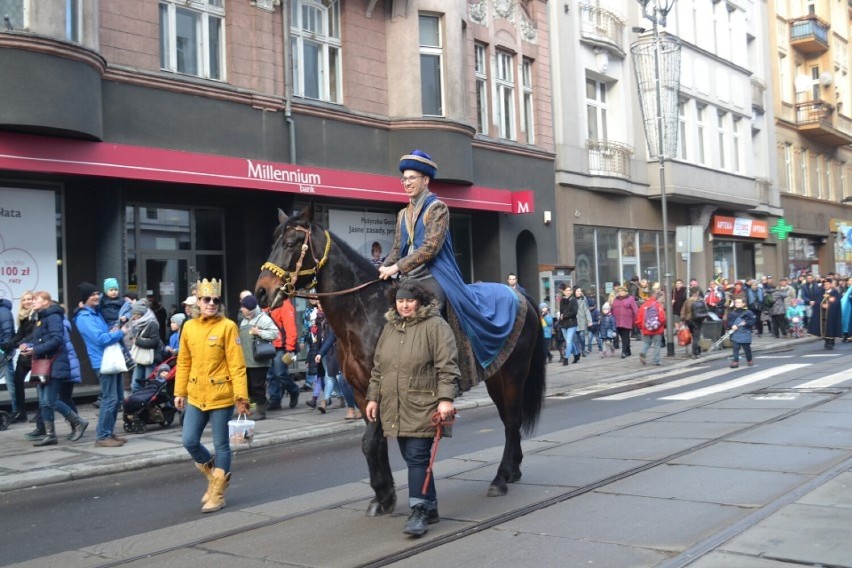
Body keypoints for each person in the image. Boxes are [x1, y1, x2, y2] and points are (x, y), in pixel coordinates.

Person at [378, 150, 517, 371]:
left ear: (426, 180)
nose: (406, 183)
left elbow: (430, 247)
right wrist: (382, 267)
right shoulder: (403, 214)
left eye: (412, 178)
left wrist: (397, 266)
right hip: (409, 277)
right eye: (404, 178)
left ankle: (446, 369)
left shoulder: (437, 208)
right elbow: (397, 248)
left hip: (435, 275)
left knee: (431, 313)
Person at [365, 281, 459, 537]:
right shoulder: (390, 327)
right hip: (396, 405)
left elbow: (447, 366)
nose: (404, 305)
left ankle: (418, 511)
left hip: (424, 404)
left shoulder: (435, 326)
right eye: (400, 301)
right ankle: (431, 506)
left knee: (417, 458)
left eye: (409, 301)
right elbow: (378, 367)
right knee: (411, 458)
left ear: (419, 301)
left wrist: (446, 399)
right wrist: (373, 397)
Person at [175, 278, 249, 513]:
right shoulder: (189, 327)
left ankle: (217, 492)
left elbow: (237, 365)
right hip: (196, 395)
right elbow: (183, 361)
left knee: (221, 445)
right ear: (198, 301)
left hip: (221, 395)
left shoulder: (228, 326)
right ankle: (215, 476)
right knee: (189, 440)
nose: (211, 303)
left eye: (215, 300)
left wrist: (241, 397)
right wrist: (179, 392)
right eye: (206, 299)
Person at [19, 291, 89, 446]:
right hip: (42, 364)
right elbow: (40, 340)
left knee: (50, 400)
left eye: (36, 299)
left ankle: (79, 422)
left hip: (54, 363)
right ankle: (50, 435)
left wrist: (35, 350)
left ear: (45, 301)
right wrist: (28, 346)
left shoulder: (54, 317)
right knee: (44, 402)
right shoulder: (40, 318)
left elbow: (56, 340)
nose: (33, 302)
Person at [75, 282, 129, 447]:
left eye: (98, 293)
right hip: (103, 361)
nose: (97, 296)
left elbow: (105, 334)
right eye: (93, 295)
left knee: (117, 398)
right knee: (110, 399)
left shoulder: (96, 313)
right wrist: (120, 333)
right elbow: (101, 339)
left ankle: (109, 433)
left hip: (111, 359)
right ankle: (102, 436)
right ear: (85, 298)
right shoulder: (84, 317)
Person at [237, 293, 278, 420]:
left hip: (259, 361)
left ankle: (261, 412)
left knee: (257, 386)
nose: (241, 309)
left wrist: (259, 332)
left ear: (249, 308)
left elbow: (274, 334)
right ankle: (249, 409)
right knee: (248, 386)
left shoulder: (263, 318)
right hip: (246, 360)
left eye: (243, 307)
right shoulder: (244, 320)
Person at [265, 294, 299, 411]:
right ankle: (275, 399)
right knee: (270, 375)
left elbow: (291, 328)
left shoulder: (285, 305)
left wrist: (289, 348)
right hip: (269, 344)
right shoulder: (267, 303)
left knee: (279, 373)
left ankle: (294, 390)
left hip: (281, 346)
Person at [7, 291, 35, 424]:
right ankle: (21, 412)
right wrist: (10, 343)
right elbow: (20, 334)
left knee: (39, 384)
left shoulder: (36, 315)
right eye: (24, 300)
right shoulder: (23, 317)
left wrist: (20, 343)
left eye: (30, 299)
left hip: (36, 355)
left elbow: (35, 334)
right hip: (24, 357)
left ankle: (42, 414)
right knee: (18, 382)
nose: (27, 302)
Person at [129, 300, 161, 392]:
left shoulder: (152, 324)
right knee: (135, 385)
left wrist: (137, 342)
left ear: (140, 314)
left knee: (149, 384)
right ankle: (137, 404)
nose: (133, 316)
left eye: (134, 314)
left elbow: (154, 342)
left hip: (149, 358)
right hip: (140, 358)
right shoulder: (137, 323)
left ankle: (149, 405)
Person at [808, 278, 842, 350]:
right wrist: (819, 304)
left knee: (831, 328)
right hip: (822, 314)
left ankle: (831, 342)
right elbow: (818, 300)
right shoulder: (821, 292)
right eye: (825, 284)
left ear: (830, 284)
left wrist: (829, 305)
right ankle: (826, 341)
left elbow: (836, 302)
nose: (826, 286)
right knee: (823, 329)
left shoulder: (834, 292)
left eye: (827, 284)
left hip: (831, 315)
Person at [0, 294, 18, 419]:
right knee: (10, 381)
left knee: (10, 383)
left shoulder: (3, 311)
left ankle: (16, 410)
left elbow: (7, 333)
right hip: (3, 350)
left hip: (4, 352)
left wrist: (4, 349)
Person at [636, 291, 666, 366]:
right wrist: (661, 325)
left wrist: (641, 327)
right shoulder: (657, 305)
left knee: (646, 343)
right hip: (657, 328)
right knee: (657, 345)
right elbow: (662, 318)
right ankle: (656, 361)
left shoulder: (643, 306)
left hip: (646, 328)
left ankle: (643, 352)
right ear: (654, 295)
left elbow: (639, 318)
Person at [726, 297, 755, 368]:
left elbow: (753, 321)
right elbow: (728, 322)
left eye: (739, 302)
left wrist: (746, 323)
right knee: (735, 348)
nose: (737, 304)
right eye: (736, 302)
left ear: (743, 304)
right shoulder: (732, 313)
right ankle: (735, 361)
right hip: (736, 333)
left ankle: (749, 360)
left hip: (745, 333)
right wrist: (732, 325)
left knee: (746, 348)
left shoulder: (748, 312)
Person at [680, 287, 708, 360]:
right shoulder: (701, 300)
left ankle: (697, 350)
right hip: (698, 320)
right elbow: (706, 309)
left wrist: (683, 319)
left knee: (693, 335)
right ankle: (695, 353)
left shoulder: (687, 301)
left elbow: (683, 311)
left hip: (689, 320)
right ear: (697, 292)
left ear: (691, 293)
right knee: (696, 337)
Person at [611, 286, 638, 359]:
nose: (620, 293)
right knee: (621, 336)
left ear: (626, 292)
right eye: (619, 291)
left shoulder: (630, 299)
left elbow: (635, 311)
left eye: (622, 291)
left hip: (627, 321)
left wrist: (635, 320)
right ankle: (628, 350)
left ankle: (623, 352)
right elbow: (612, 310)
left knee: (625, 337)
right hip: (617, 321)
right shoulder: (615, 300)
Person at [559, 285, 580, 365]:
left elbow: (575, 312)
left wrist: (564, 315)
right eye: (566, 290)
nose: (568, 292)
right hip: (563, 324)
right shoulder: (562, 300)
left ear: (571, 292)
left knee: (568, 342)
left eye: (569, 290)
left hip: (572, 323)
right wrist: (560, 315)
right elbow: (561, 311)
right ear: (563, 292)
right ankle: (576, 354)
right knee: (570, 341)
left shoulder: (573, 300)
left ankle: (566, 358)